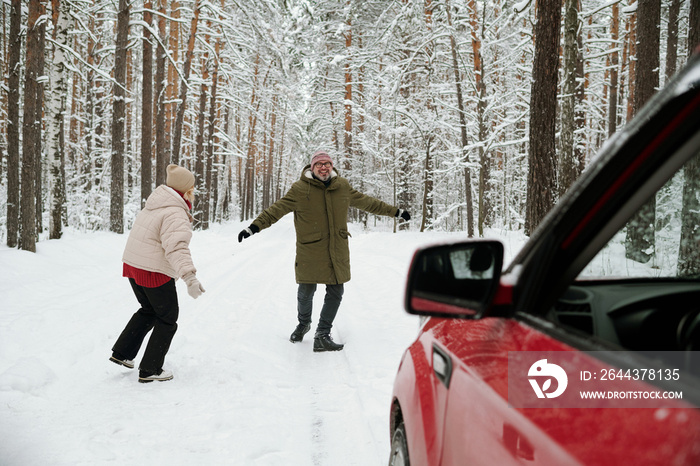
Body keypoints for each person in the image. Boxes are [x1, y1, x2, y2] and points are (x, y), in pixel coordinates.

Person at [238, 150, 410, 352]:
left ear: (332, 166)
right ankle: (303, 324)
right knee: (306, 292)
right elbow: (277, 209)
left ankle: (322, 334)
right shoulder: (300, 189)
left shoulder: (342, 187)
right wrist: (253, 227)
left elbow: (368, 203)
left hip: (336, 250)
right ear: (312, 167)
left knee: (336, 291)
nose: (323, 167)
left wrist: (396, 212)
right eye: (319, 164)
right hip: (310, 250)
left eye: (327, 164)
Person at [110, 164, 206, 383]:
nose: (194, 191)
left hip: (134, 266)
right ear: (186, 190)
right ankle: (150, 369)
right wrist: (190, 278)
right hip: (153, 271)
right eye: (192, 187)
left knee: (149, 310)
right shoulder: (175, 212)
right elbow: (177, 247)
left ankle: (122, 353)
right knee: (167, 319)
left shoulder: (155, 204)